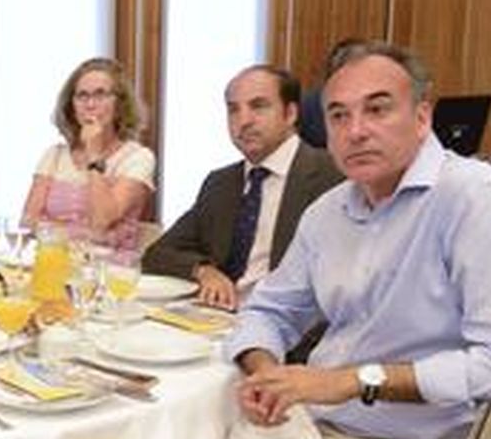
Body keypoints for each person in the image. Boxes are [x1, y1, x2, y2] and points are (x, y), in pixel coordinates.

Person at [200, 41, 491, 439]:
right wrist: (267, 373)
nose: (356, 130)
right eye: (339, 116)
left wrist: (353, 381)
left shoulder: (479, 200)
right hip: (317, 432)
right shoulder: (329, 212)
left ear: (422, 116)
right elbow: (269, 311)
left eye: (378, 109)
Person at [144, 64, 343, 310]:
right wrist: (204, 271)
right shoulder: (221, 183)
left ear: (290, 114)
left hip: (289, 326)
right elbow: (158, 253)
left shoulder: (333, 177)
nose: (243, 121)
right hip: (217, 317)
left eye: (258, 106)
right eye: (233, 110)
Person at [21, 57, 154, 260]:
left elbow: (101, 220)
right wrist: (87, 235)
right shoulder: (54, 155)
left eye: (101, 95)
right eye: (82, 96)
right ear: (71, 105)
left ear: (120, 103)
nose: (90, 104)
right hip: (54, 264)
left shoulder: (138, 158)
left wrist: (94, 154)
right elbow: (28, 224)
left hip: (109, 271)